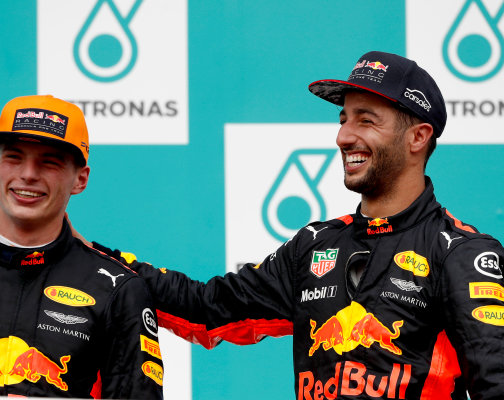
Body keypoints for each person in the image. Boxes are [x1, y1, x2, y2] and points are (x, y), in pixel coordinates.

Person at [89, 51, 504, 399]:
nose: (344, 135)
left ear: (418, 137)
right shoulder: (314, 245)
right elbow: (206, 309)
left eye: (366, 120)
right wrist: (95, 259)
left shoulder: (462, 253)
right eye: (343, 119)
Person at [0, 95, 163, 399]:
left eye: (49, 162)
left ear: (80, 179)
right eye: (14, 157)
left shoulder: (118, 289)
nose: (28, 174)